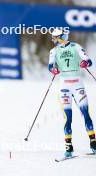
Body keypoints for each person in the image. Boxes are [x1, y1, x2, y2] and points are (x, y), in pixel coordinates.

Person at [48, 28, 96, 157]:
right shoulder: (53, 51)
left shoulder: (76, 47)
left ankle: (94, 145)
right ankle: (69, 149)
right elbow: (50, 66)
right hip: (64, 86)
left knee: (85, 114)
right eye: (53, 38)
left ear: (62, 37)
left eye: (55, 37)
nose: (54, 40)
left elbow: (88, 60)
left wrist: (85, 62)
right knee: (67, 117)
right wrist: (54, 70)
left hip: (77, 84)